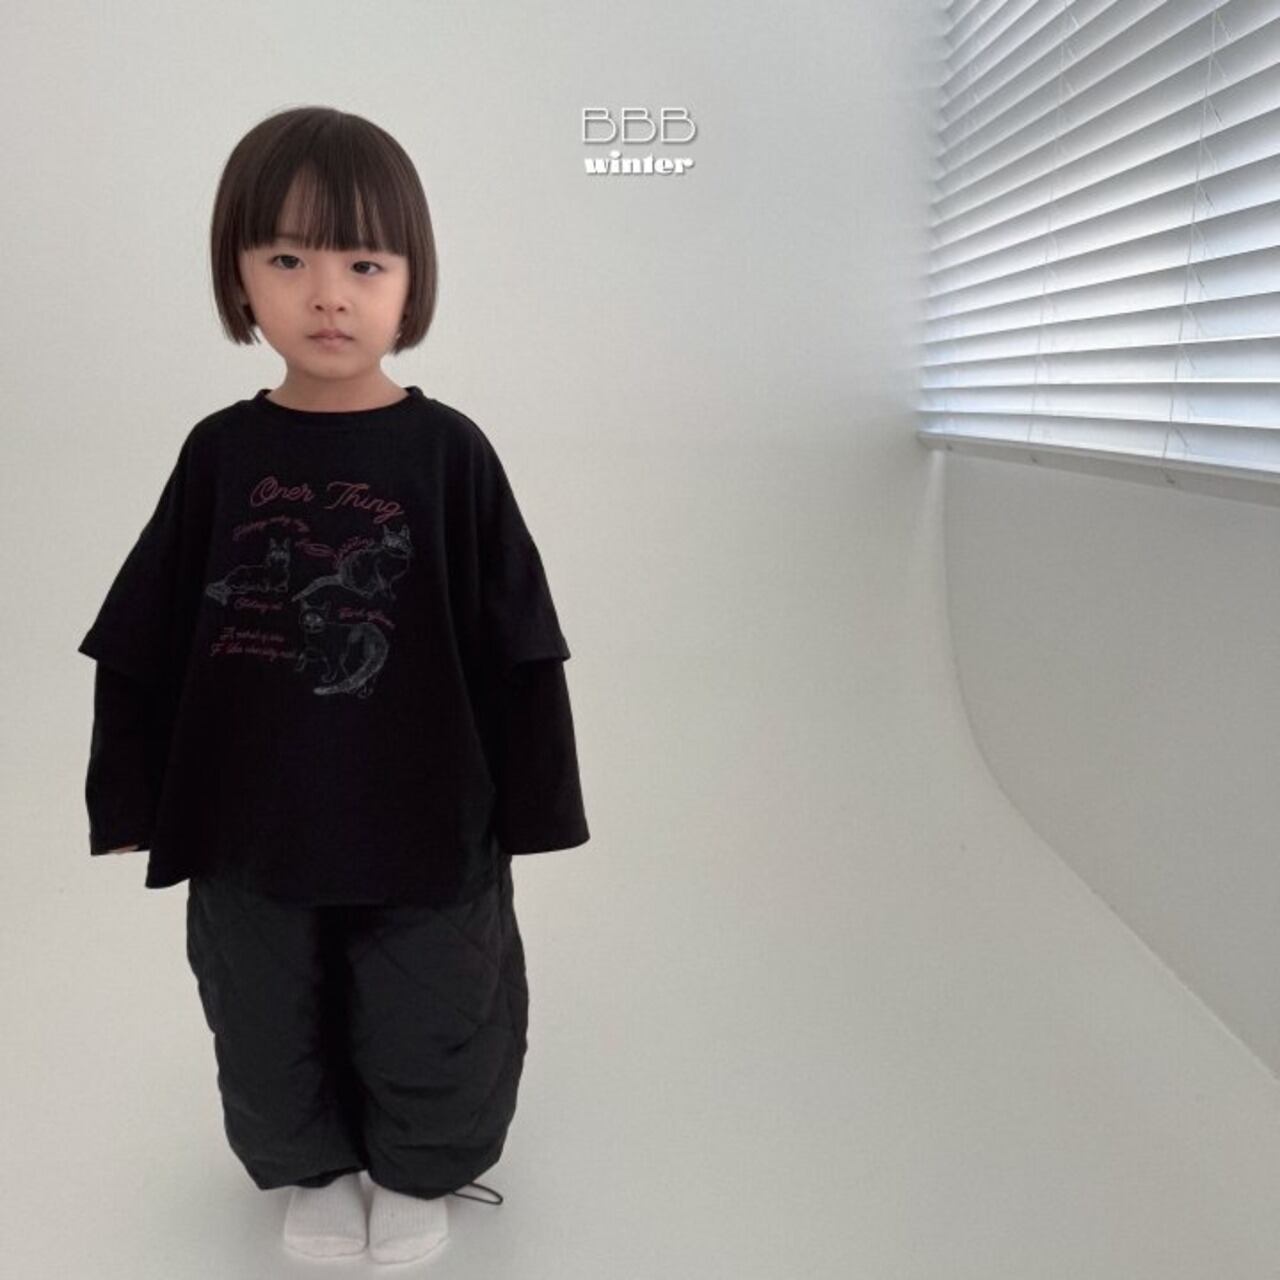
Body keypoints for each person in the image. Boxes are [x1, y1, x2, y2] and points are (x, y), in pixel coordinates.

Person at [76, 105, 589, 1265]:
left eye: (363, 262)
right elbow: (142, 634)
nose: (326, 295)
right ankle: (312, 1165)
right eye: (286, 258)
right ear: (238, 276)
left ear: (411, 279)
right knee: (263, 1009)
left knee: (434, 1002)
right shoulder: (219, 453)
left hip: (427, 815)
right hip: (251, 821)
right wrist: (131, 795)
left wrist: (536, 801)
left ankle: (417, 1167)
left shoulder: (450, 454)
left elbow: (520, 637)